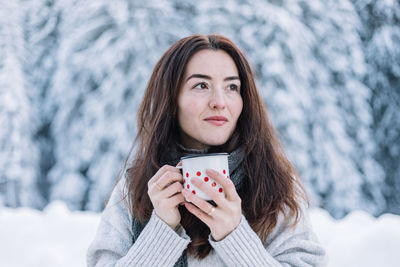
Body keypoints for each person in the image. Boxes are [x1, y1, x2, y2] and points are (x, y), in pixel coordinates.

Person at [87, 34, 326, 266]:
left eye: (232, 87)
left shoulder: (274, 181)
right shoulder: (136, 185)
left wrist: (235, 235)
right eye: (201, 85)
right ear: (171, 98)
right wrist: (161, 228)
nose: (219, 102)